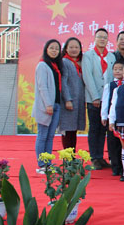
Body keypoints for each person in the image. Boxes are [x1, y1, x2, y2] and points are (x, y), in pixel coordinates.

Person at [82, 28, 115, 170]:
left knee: (104, 129)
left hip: (107, 100)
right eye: (99, 37)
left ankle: (101, 157)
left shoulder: (111, 57)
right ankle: (94, 157)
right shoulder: (88, 56)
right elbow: (87, 77)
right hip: (93, 99)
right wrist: (95, 96)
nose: (102, 39)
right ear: (95, 38)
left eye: (105, 37)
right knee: (94, 128)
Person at [33, 39, 63, 174]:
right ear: (46, 49)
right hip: (46, 106)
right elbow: (42, 87)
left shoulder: (56, 65)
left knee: (50, 136)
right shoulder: (42, 65)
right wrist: (48, 104)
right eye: (52, 48)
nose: (54, 51)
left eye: (57, 48)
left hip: (56, 104)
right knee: (43, 135)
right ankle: (41, 164)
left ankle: (48, 163)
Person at [58, 37, 86, 149]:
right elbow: (63, 82)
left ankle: (72, 156)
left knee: (73, 130)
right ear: (66, 49)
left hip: (78, 101)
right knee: (67, 130)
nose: (74, 49)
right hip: (69, 102)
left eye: (76, 47)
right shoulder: (64, 62)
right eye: (71, 47)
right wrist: (67, 99)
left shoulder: (81, 62)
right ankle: (68, 156)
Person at [101, 62, 124, 176]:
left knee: (123, 143)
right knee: (113, 143)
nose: (118, 71)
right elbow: (105, 101)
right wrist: (104, 116)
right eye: (115, 69)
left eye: (120, 69)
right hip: (112, 119)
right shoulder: (109, 86)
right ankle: (115, 166)